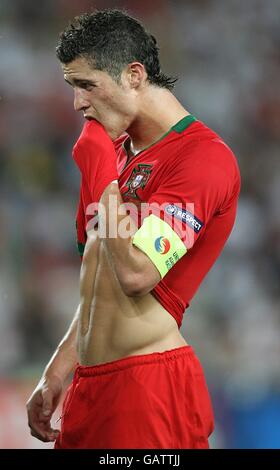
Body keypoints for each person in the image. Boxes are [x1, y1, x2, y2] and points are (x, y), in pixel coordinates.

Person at [26, 9, 240, 449]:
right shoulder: (116, 151)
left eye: (86, 85)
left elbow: (137, 274)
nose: (77, 103)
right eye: (72, 87)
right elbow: (98, 281)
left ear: (134, 74)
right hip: (89, 388)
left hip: (148, 389)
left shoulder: (202, 157)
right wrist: (59, 368)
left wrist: (104, 182)